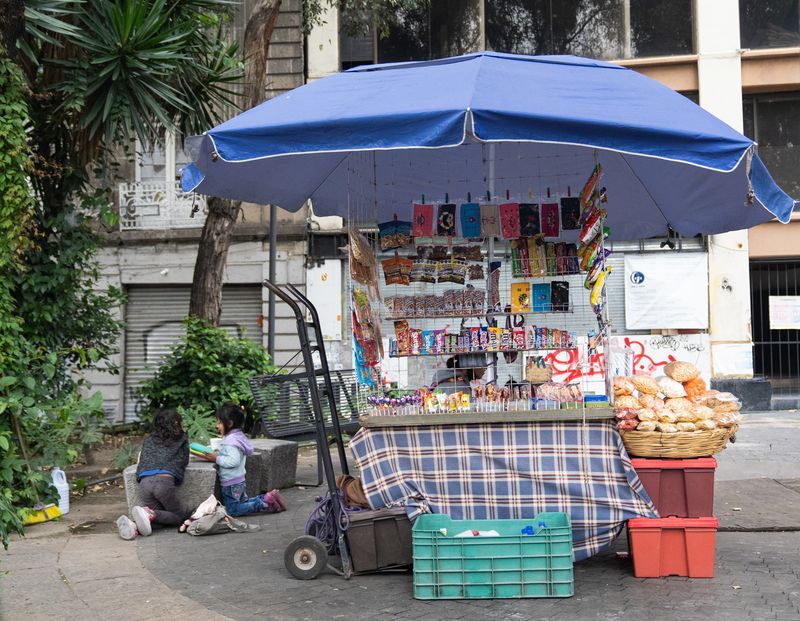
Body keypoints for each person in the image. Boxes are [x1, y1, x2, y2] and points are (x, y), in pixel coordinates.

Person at [198, 403, 286, 517]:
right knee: (242, 503)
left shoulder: (230, 442)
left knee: (233, 510)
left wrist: (216, 458)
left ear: (229, 423)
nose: (217, 426)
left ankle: (263, 503)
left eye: (219, 422)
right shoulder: (238, 436)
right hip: (238, 480)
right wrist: (219, 453)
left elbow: (233, 461)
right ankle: (267, 497)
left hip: (231, 483)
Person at [116, 408, 190, 540]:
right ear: (176, 423)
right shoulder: (181, 439)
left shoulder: (149, 440)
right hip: (164, 484)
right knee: (179, 517)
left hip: (145, 484)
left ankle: (133, 526)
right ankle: (148, 513)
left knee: (159, 522)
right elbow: (183, 461)